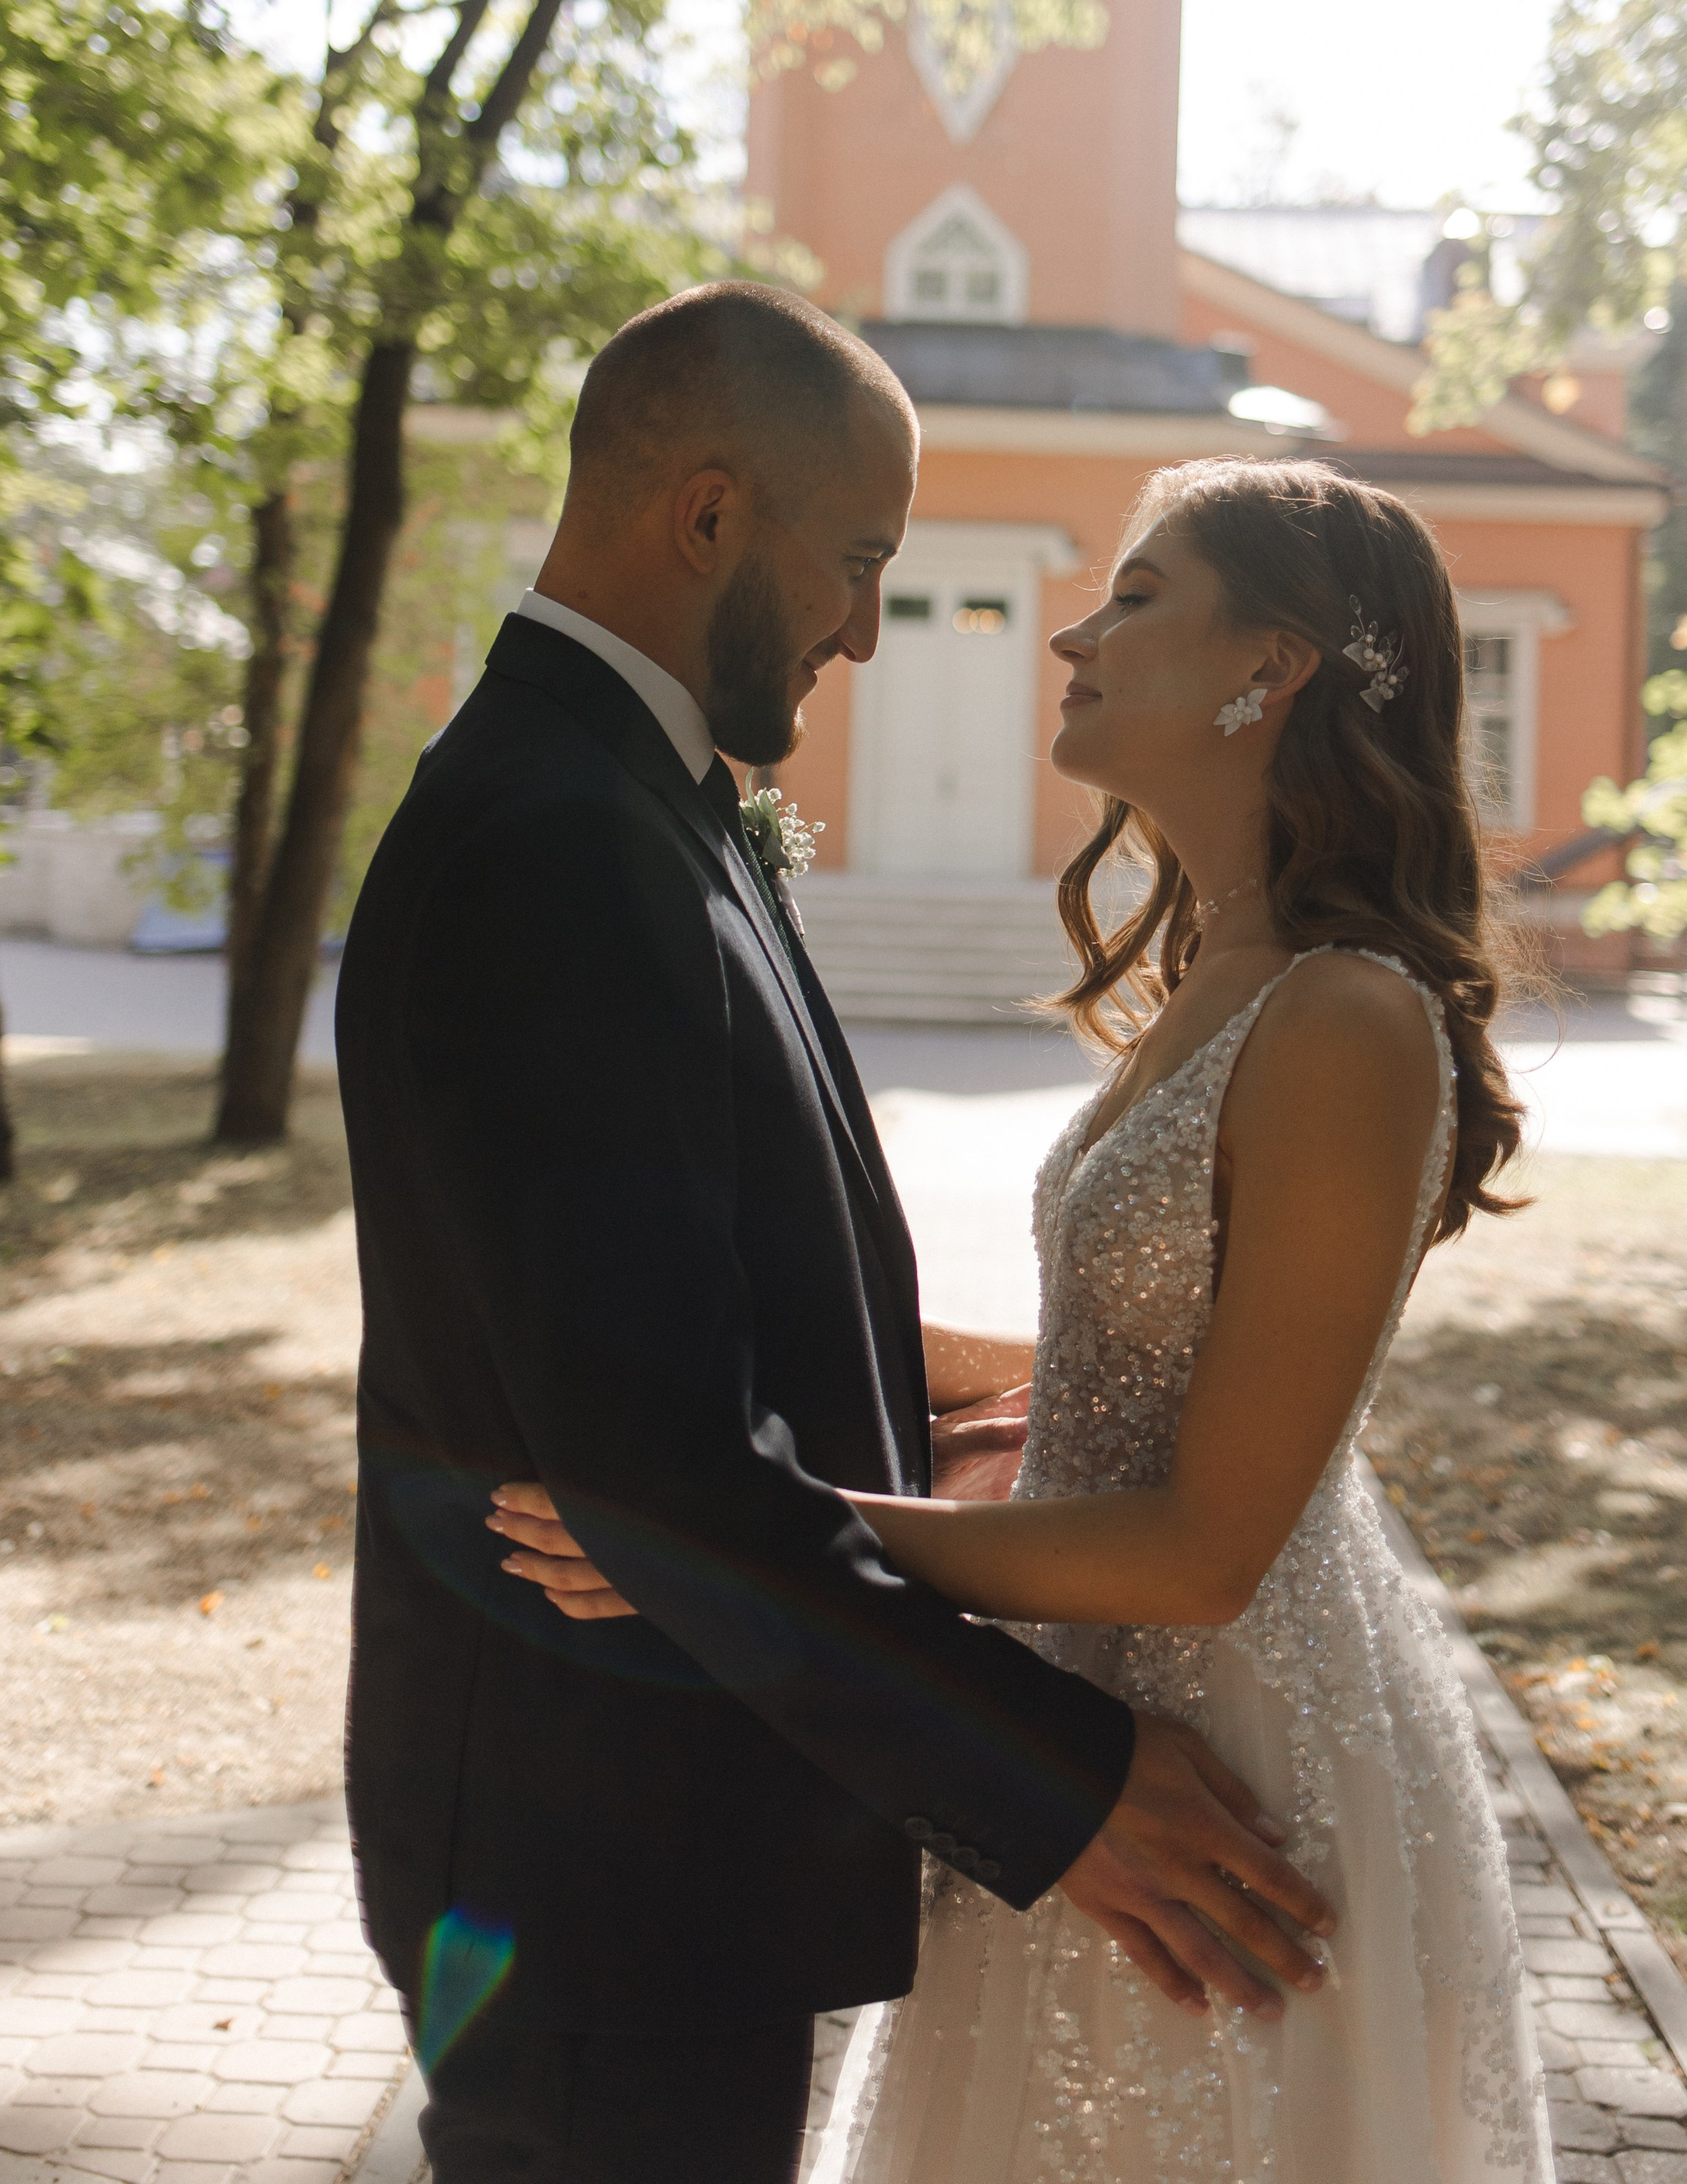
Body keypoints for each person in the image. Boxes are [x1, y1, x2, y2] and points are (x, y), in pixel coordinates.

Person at [336, 289, 1331, 2184]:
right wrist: (1064, 1788)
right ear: (708, 517)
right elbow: (648, 1466)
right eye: (860, 559)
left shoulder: (644, 800)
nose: (871, 629)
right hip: (589, 1868)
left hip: (654, 1828)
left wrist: (1028, 1400)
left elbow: (726, 1306)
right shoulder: (556, 836)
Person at [496, 452, 1557, 2182]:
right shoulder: (1217, 972)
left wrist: (739, 1540)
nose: (1071, 632)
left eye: (1136, 596)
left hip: (1242, 1740)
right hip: (1076, 1707)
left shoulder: (1344, 1018)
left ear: (1271, 666)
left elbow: (1209, 1542)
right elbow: (1119, 1373)